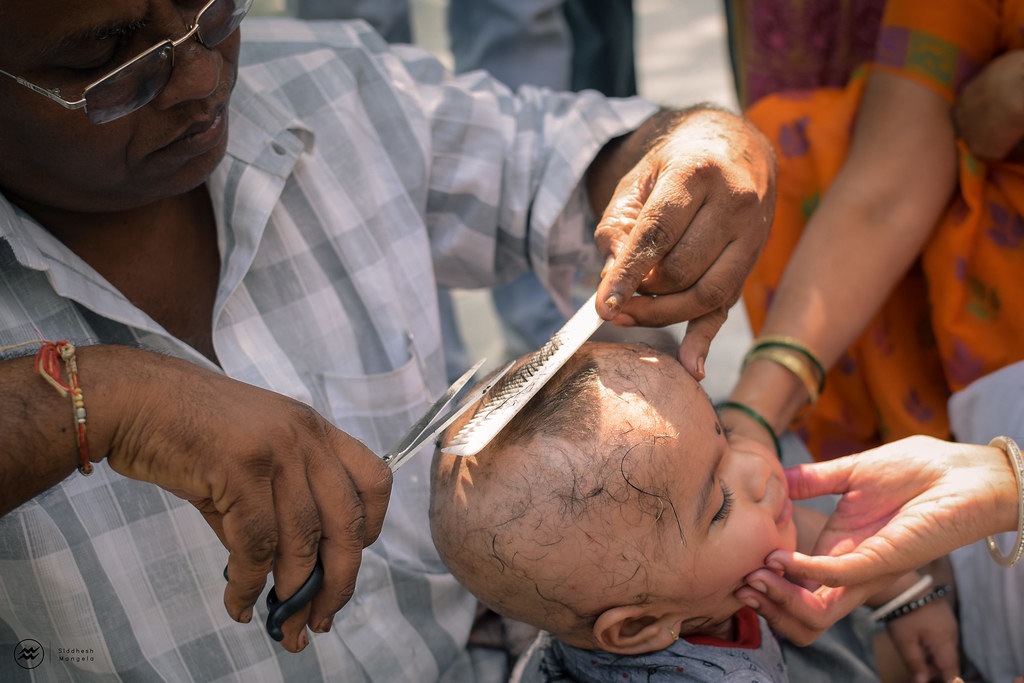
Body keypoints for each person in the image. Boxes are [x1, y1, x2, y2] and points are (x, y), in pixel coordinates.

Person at [0, 0, 776, 680]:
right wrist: (90, 400)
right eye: (108, 59)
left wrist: (702, 147)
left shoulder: (336, 87)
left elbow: (579, 156)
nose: (201, 78)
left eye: (210, 7)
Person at [430, 342, 960, 682]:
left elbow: (809, 538)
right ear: (639, 626)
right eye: (720, 505)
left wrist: (905, 595)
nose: (757, 470)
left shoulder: (678, 583)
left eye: (724, 435)